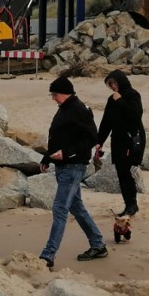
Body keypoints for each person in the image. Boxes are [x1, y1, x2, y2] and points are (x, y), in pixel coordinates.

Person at [39, 76, 107, 268]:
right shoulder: (64, 109)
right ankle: (98, 244)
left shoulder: (79, 109)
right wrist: (47, 157)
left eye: (55, 94)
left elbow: (92, 138)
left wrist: (68, 153)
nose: (53, 98)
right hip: (62, 166)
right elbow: (57, 138)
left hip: (74, 166)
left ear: (65, 93)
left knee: (60, 209)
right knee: (77, 207)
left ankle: (48, 255)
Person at [96, 70, 146, 217]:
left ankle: (132, 204)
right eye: (110, 84)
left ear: (121, 81)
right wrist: (99, 141)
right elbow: (106, 122)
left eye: (114, 83)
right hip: (118, 140)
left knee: (126, 172)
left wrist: (121, 101)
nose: (113, 86)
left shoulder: (133, 95)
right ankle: (129, 205)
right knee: (121, 173)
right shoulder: (111, 99)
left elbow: (135, 116)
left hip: (131, 140)